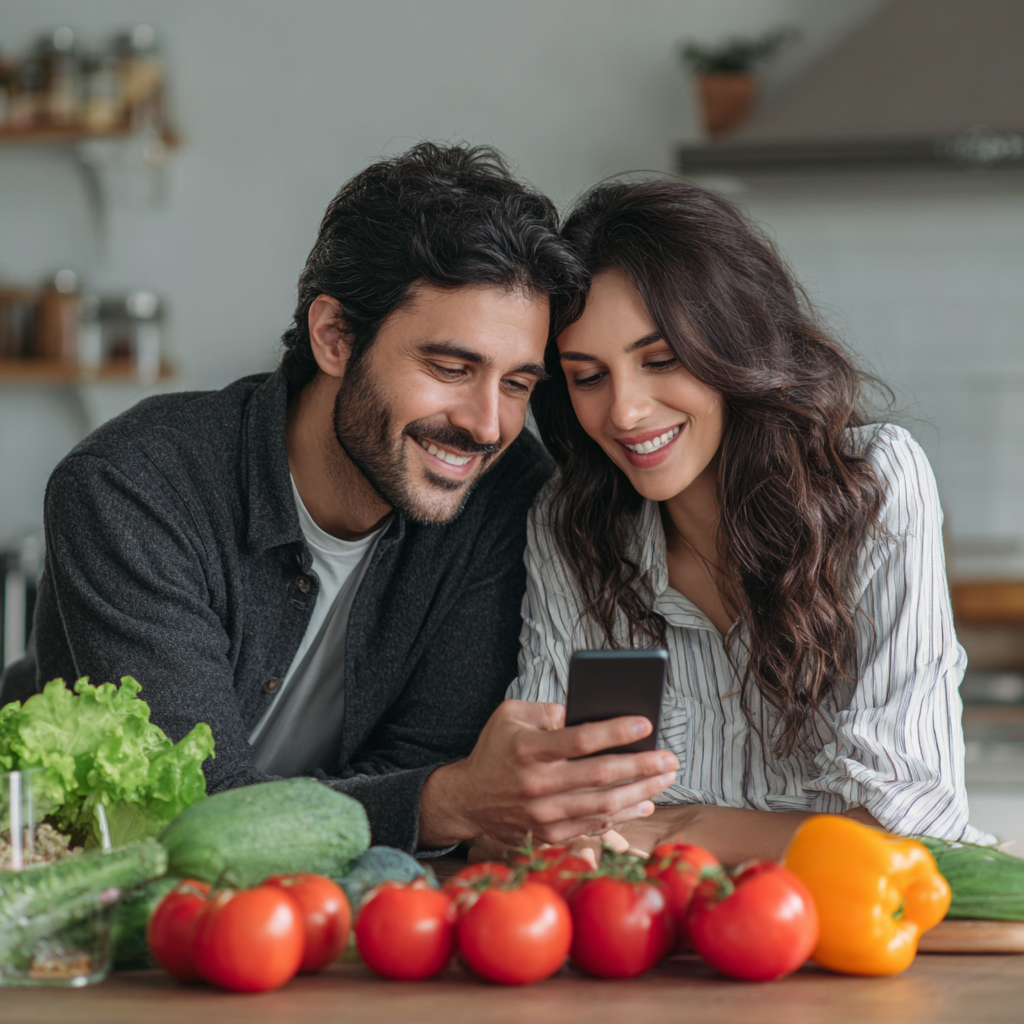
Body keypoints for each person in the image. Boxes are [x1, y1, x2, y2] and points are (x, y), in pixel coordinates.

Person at [3, 145, 679, 853]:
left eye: (516, 385)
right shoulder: (134, 487)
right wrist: (444, 801)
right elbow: (187, 816)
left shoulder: (504, 498)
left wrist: (442, 797)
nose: (487, 425)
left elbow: (424, 761)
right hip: (74, 898)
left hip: (332, 917)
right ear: (334, 337)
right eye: (451, 367)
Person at [509, 178, 991, 864]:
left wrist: (677, 830)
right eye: (589, 376)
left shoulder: (874, 484)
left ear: (733, 343)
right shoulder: (569, 527)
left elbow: (907, 832)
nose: (625, 411)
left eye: (661, 360)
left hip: (859, 945)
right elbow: (552, 816)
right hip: (663, 947)